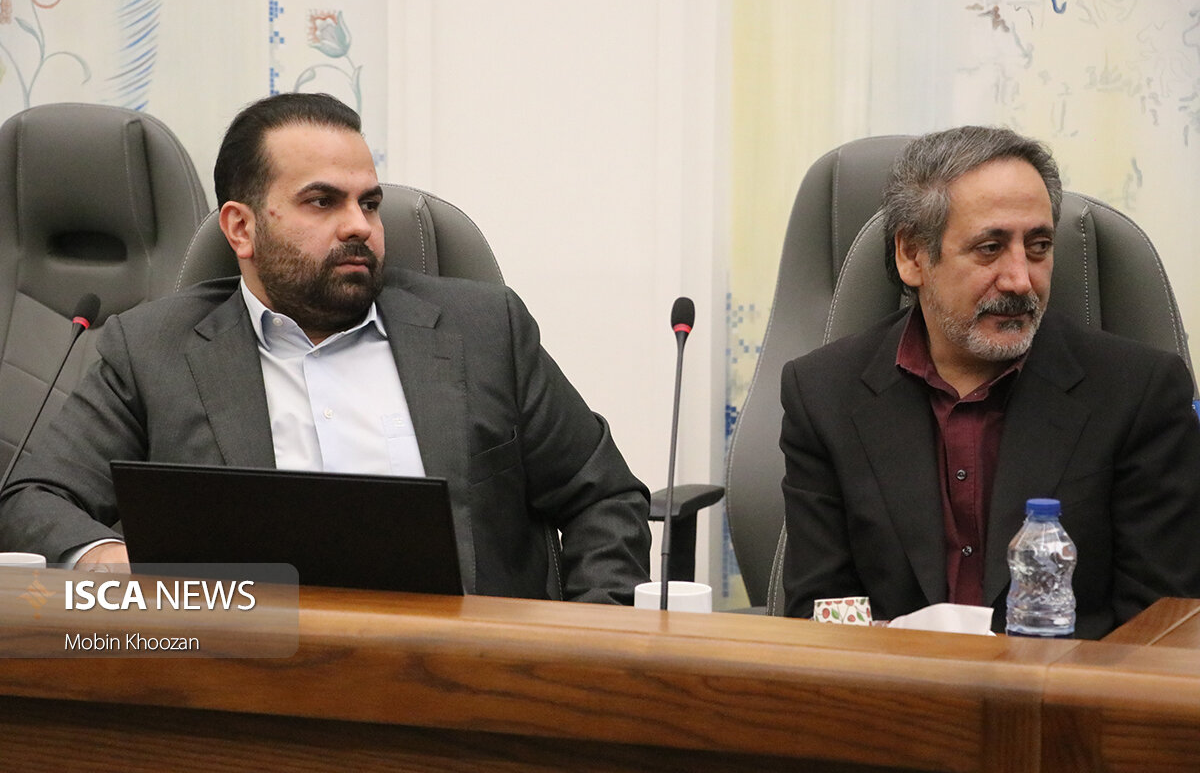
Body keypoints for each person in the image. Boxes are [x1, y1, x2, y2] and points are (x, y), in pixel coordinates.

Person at [0, 92, 651, 604]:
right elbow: (34, 497)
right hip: (246, 679)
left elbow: (604, 497)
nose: (359, 226)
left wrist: (584, 649)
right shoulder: (152, 352)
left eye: (369, 203)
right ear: (240, 228)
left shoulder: (483, 330)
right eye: (323, 202)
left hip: (467, 682)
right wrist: (108, 560)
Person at [780, 125, 1200, 638]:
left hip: (1067, 683)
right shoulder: (823, 394)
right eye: (989, 248)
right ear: (912, 256)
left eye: (1039, 247)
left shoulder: (1140, 394)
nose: (1021, 279)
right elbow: (819, 613)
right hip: (891, 683)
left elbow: (1161, 629)